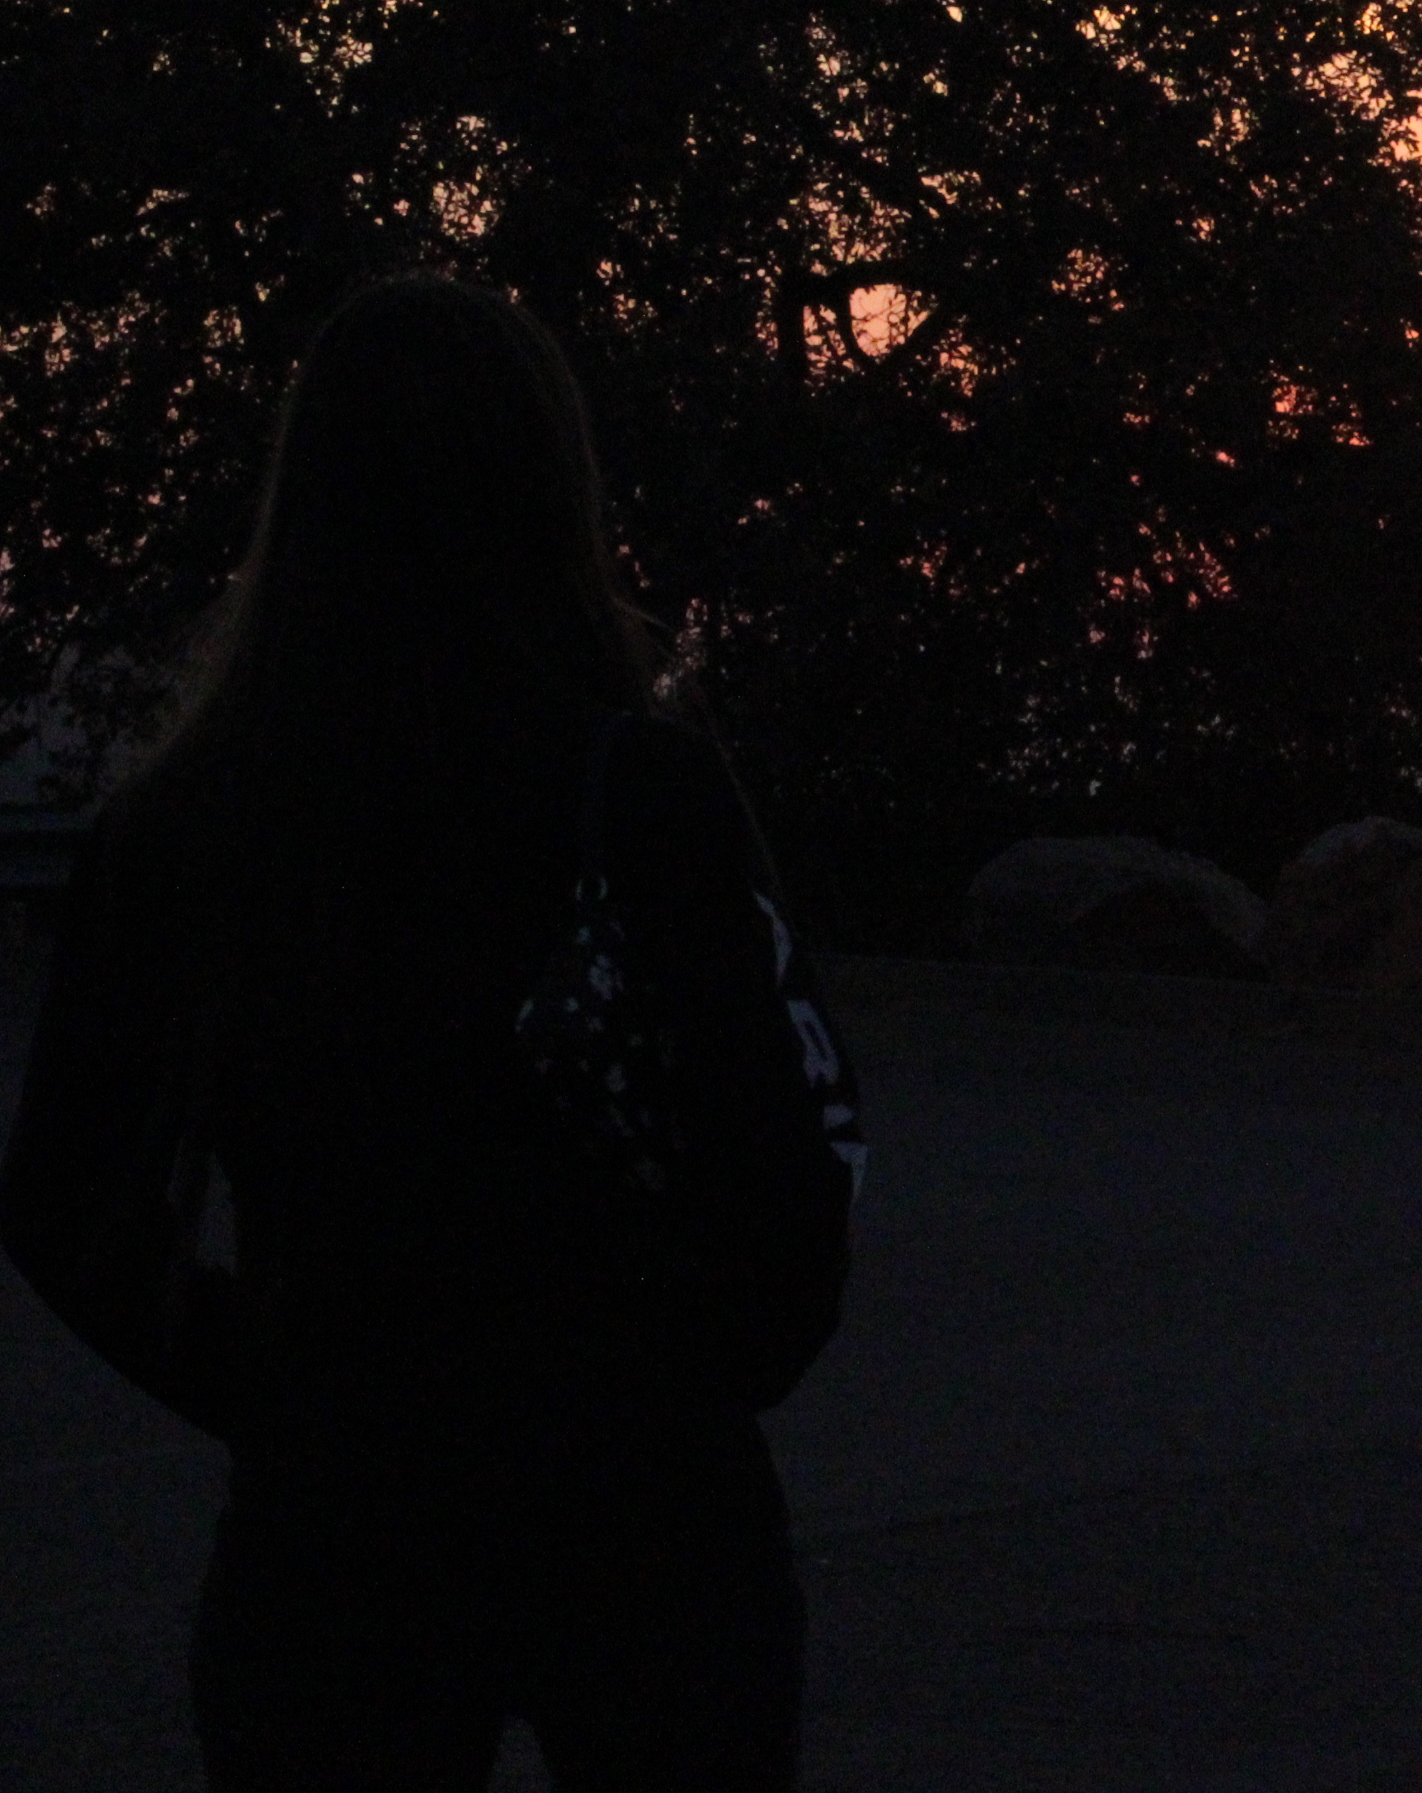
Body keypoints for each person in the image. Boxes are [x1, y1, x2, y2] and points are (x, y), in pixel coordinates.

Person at [2, 275, 864, 1791]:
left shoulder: (192, 824)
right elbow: (785, 1189)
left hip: (337, 1524)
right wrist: (676, 1387)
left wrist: (280, 1388)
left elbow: (69, 1206)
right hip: (649, 1517)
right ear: (553, 487)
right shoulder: (638, 793)